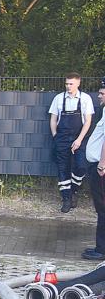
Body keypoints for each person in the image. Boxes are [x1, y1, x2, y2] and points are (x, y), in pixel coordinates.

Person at [49, 73, 95, 213]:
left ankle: (73, 191)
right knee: (63, 168)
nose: (68, 86)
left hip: (79, 138)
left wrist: (79, 139)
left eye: (71, 84)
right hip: (61, 138)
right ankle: (66, 199)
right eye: (67, 84)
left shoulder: (85, 99)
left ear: (78, 83)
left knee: (81, 167)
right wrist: (55, 136)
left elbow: (88, 121)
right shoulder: (58, 98)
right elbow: (53, 119)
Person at [82, 83, 105, 261]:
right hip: (97, 165)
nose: (99, 96)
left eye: (102, 93)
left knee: (103, 208)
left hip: (101, 168)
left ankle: (102, 249)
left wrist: (102, 163)